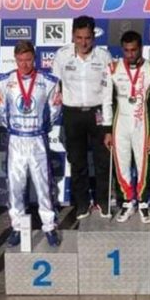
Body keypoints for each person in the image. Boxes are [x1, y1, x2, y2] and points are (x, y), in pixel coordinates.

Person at [0, 40, 61, 247]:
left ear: (35, 58)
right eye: (20, 60)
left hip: (37, 138)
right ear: (15, 59)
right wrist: (14, 127)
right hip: (16, 139)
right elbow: (0, 109)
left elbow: (55, 109)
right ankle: (17, 227)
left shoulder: (48, 81)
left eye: (28, 60)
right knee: (15, 186)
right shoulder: (4, 81)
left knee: (43, 185)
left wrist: (41, 128)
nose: (24, 64)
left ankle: (49, 226)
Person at [52, 16, 112, 219]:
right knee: (77, 161)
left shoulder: (103, 56)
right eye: (79, 38)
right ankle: (82, 204)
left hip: (98, 113)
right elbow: (55, 85)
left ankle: (103, 201)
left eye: (87, 38)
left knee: (103, 160)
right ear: (73, 36)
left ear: (93, 36)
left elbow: (110, 89)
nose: (83, 42)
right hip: (72, 113)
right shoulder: (62, 55)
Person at [102, 31, 150, 223]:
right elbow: (106, 101)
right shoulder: (113, 68)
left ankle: (144, 203)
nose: (130, 54)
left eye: (134, 50)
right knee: (122, 164)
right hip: (120, 123)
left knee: (143, 163)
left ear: (141, 48)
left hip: (142, 123)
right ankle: (128, 202)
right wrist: (107, 130)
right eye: (126, 50)